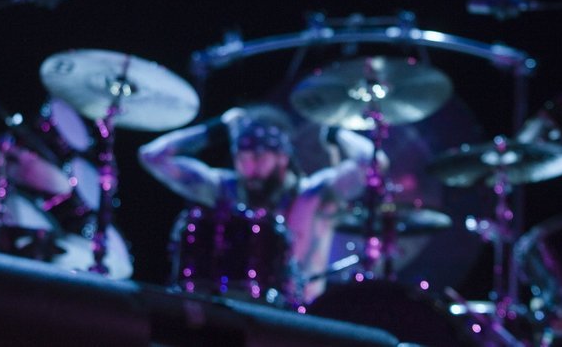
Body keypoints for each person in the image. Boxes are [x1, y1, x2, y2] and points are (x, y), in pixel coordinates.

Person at [138, 103, 382, 306]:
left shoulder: (314, 194)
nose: (248, 167)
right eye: (241, 157)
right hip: (232, 310)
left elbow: (375, 164)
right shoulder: (225, 188)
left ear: (282, 157)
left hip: (299, 320)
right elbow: (151, 156)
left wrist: (335, 133)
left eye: (258, 156)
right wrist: (216, 129)